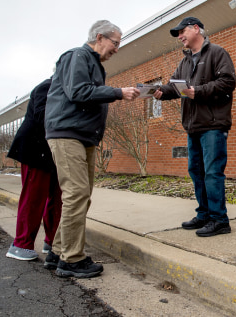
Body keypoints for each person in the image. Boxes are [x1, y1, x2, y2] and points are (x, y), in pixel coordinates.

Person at [44, 20, 140, 278]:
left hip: (84, 137)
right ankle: (72, 260)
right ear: (100, 37)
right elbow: (78, 91)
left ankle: (59, 250)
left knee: (81, 196)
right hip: (68, 135)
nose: (117, 49)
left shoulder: (93, 64)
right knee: (76, 194)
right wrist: (118, 92)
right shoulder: (77, 56)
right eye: (116, 43)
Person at [154, 17, 236, 237]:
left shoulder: (217, 53)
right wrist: (158, 91)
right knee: (197, 172)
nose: (180, 37)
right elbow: (174, 87)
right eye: (178, 34)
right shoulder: (185, 62)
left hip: (213, 125)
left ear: (196, 29)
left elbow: (228, 82)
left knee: (212, 172)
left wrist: (197, 91)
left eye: (182, 32)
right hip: (193, 127)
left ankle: (219, 220)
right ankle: (205, 214)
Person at [5, 78, 62, 261]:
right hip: (35, 149)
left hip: (54, 151)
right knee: (33, 198)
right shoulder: (46, 87)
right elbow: (42, 116)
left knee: (57, 198)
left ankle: (52, 241)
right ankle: (21, 244)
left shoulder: (66, 88)